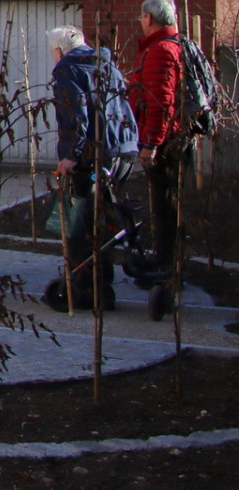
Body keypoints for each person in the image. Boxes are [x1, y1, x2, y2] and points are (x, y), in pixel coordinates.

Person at [48, 24, 138, 300]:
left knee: (79, 222)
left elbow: (74, 115)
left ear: (59, 50)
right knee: (102, 217)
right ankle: (102, 280)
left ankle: (85, 286)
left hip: (92, 153)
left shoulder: (67, 69)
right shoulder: (106, 65)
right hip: (122, 148)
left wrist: (69, 156)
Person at [130, 0, 189, 285]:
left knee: (165, 208)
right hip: (173, 139)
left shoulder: (160, 51)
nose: (140, 21)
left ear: (150, 18)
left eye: (142, 17)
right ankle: (167, 264)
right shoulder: (175, 45)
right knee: (167, 207)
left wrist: (151, 144)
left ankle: (166, 270)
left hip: (165, 144)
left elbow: (160, 103)